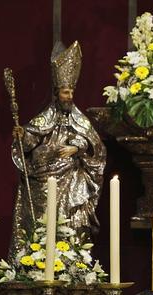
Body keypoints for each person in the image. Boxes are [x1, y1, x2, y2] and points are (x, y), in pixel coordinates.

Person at [10, 41, 106, 262]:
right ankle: (38, 261)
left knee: (71, 222)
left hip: (71, 181)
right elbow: (30, 140)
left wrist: (77, 147)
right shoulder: (45, 118)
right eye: (65, 91)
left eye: (71, 91)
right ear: (56, 93)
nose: (69, 96)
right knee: (42, 224)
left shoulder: (80, 120)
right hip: (44, 181)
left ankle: (71, 263)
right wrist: (22, 136)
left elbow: (97, 148)